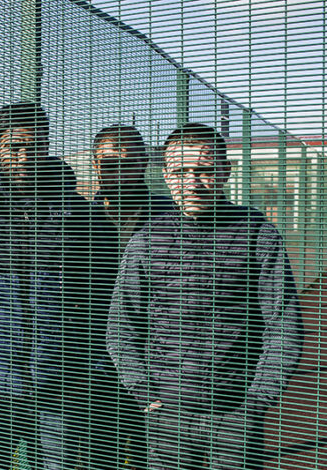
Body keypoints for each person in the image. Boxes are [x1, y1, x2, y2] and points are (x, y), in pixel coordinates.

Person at [0, 102, 115, 469]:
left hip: (60, 385)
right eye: (16, 147)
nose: (26, 156)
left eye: (37, 146)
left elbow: (103, 302)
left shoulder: (80, 214)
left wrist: (87, 370)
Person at [107, 123, 303, 469]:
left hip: (235, 417)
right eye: (181, 171)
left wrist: (254, 406)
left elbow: (283, 328)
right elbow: (121, 329)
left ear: (225, 172)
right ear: (166, 175)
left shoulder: (257, 233)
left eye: (204, 170)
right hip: (167, 419)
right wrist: (145, 397)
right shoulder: (146, 240)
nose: (192, 183)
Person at [91, 124, 170, 469]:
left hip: (156, 363)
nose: (119, 172)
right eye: (108, 163)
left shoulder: (171, 215)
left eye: (129, 162)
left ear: (144, 164)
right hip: (94, 363)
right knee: (99, 451)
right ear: (95, 166)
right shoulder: (79, 218)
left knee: (150, 451)